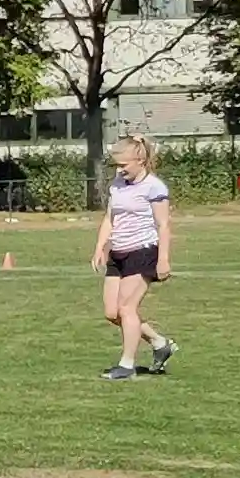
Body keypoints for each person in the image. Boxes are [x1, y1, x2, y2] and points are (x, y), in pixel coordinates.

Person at [96, 135, 177, 376]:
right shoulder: (117, 185)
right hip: (118, 253)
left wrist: (163, 259)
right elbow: (111, 218)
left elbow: (163, 225)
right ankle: (160, 343)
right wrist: (100, 246)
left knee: (127, 308)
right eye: (117, 166)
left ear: (140, 160)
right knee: (112, 313)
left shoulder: (154, 187)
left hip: (142, 252)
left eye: (124, 165)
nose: (120, 171)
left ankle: (127, 365)